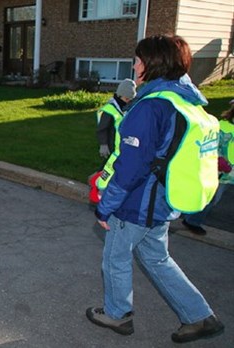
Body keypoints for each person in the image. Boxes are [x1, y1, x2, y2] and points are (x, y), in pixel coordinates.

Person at [87, 34, 224, 343]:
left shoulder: (150, 107)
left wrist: (106, 205)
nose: (134, 65)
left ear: (152, 64)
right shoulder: (185, 99)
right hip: (163, 200)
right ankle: (200, 317)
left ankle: (117, 315)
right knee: (156, 258)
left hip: (137, 203)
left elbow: (131, 167)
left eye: (138, 59)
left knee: (115, 257)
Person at [182, 100, 234, 235]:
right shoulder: (222, 126)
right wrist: (219, 161)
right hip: (221, 171)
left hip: (229, 173)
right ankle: (191, 220)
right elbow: (211, 145)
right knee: (211, 198)